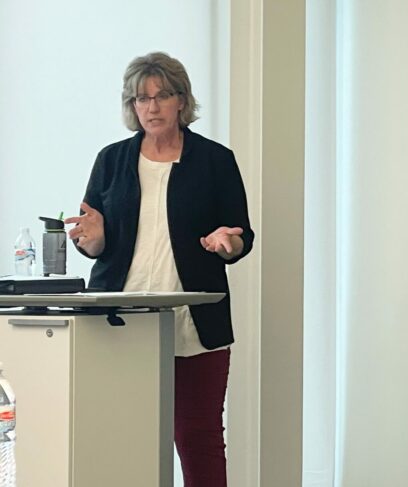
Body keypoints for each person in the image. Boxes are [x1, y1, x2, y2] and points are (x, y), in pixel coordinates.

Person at [65, 52, 253, 487]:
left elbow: (243, 236)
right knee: (120, 437)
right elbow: (95, 238)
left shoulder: (215, 160)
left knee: (198, 437)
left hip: (193, 324)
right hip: (120, 326)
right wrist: (92, 242)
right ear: (132, 106)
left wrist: (229, 243)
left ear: (181, 101)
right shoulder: (110, 160)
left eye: (162, 96)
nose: (151, 107)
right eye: (140, 98)